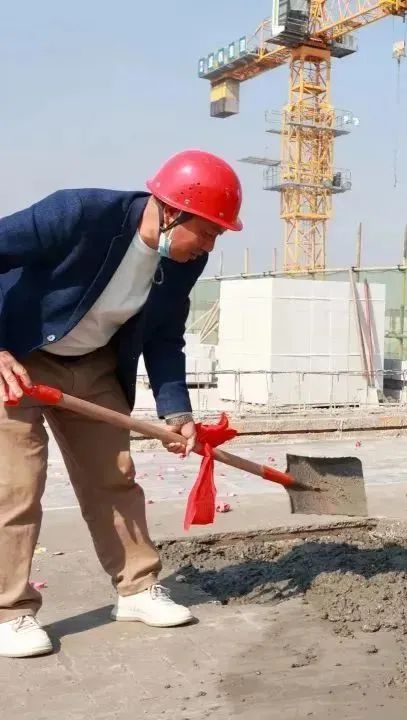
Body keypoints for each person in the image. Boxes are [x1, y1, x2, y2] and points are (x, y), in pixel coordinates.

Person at [0, 149, 244, 658]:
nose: (209, 246)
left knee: (113, 475)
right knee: (16, 483)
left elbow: (164, 336)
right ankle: (10, 612)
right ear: (171, 210)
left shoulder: (184, 262)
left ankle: (136, 589)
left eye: (218, 236)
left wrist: (177, 412)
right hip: (17, 354)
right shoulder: (79, 214)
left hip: (91, 364)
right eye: (207, 232)